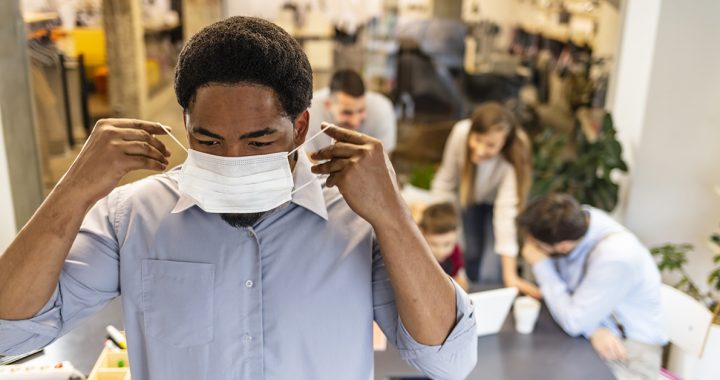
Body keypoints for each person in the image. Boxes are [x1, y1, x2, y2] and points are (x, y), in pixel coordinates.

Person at [0, 17, 477, 380]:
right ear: (186, 124)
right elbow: (9, 332)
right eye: (208, 141)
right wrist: (74, 189)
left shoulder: (357, 220)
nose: (231, 158)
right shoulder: (133, 217)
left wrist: (391, 214)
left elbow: (449, 358)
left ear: (301, 128)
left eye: (257, 141)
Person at [517, 193, 667, 380]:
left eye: (537, 245)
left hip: (629, 353)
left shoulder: (616, 257)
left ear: (563, 246)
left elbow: (573, 321)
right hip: (598, 331)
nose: (530, 249)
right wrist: (592, 329)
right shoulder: (578, 221)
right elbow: (577, 312)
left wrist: (541, 266)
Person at [431, 102, 540, 298]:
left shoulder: (514, 154)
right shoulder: (460, 134)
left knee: (492, 264)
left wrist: (511, 277)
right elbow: (445, 182)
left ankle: (490, 306)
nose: (480, 150)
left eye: (490, 145)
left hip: (499, 207)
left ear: (504, 143)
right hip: (469, 199)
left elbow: (505, 214)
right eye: (477, 139)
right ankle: (468, 304)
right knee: (470, 252)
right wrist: (440, 223)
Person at [305, 69, 397, 153]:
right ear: (328, 105)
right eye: (347, 112)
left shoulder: (382, 109)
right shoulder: (309, 110)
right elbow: (306, 160)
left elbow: (383, 162)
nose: (355, 122)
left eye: (361, 110)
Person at [418, 202, 470, 291]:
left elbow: (459, 278)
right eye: (434, 244)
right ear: (422, 235)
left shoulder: (455, 252)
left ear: (457, 235)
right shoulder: (419, 256)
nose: (441, 251)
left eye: (447, 244)